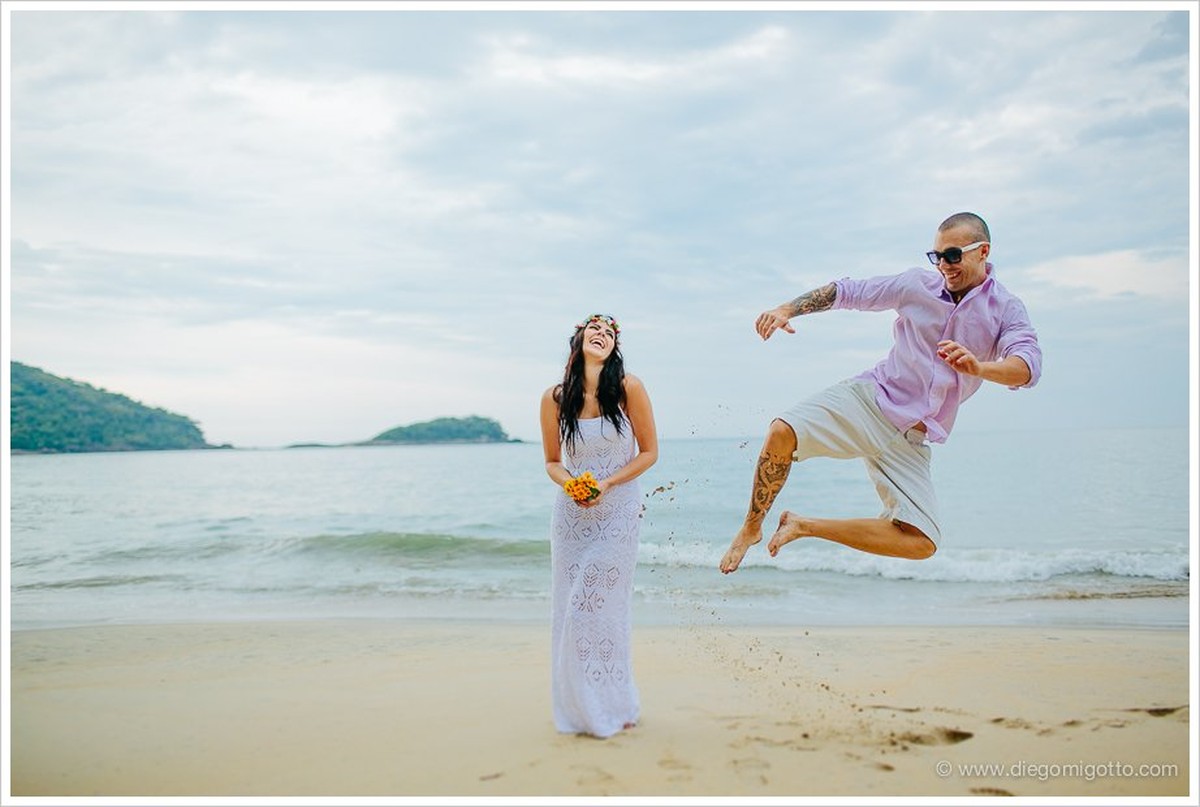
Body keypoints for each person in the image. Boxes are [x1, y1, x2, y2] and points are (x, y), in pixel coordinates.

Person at [720, 212, 1042, 574]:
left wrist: (980, 368)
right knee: (782, 431)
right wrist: (786, 309)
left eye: (952, 255)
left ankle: (802, 525)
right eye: (936, 257)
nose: (943, 266)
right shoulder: (914, 285)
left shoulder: (1006, 308)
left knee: (922, 542)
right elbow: (848, 291)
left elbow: (1028, 367)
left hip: (914, 435)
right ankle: (751, 527)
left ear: (983, 251)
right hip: (873, 401)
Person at [540, 313, 659, 738]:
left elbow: (649, 453)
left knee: (599, 606)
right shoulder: (554, 399)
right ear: (579, 340)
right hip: (571, 515)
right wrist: (573, 484)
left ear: (615, 348)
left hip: (619, 510)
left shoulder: (629, 389)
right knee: (569, 607)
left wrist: (606, 483)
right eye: (595, 329)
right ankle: (579, 707)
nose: (602, 335)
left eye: (610, 333)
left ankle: (614, 702)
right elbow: (553, 462)